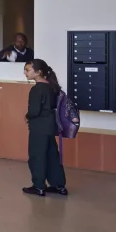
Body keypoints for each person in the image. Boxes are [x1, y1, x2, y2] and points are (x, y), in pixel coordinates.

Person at [23, 59, 68, 197]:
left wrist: (27, 116)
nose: (25, 73)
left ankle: (39, 186)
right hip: (50, 125)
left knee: (37, 156)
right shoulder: (52, 86)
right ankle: (59, 185)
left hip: (39, 127)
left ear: (38, 72)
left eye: (28, 70)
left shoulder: (37, 89)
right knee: (52, 155)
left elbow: (34, 111)